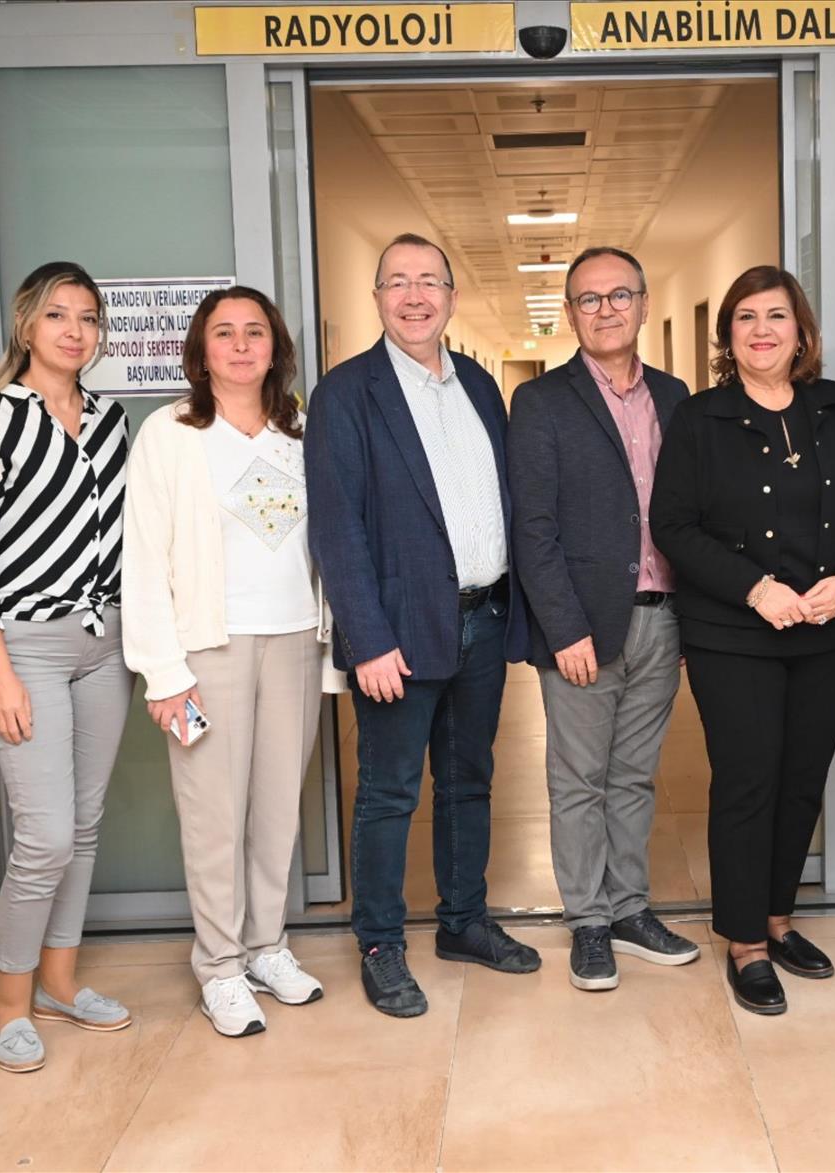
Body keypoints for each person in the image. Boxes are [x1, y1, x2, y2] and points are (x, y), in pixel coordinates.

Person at [650, 265, 835, 1015]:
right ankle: (746, 940)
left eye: (777, 316)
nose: (763, 330)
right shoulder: (699, 418)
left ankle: (779, 916)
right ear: (728, 336)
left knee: (801, 779)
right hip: (733, 631)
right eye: (747, 318)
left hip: (824, 627)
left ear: (801, 331)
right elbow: (673, 525)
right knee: (748, 779)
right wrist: (755, 588)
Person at [306, 233, 539, 1018]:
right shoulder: (346, 394)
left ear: (451, 297)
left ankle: (463, 920)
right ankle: (380, 943)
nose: (414, 296)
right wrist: (367, 640)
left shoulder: (479, 385)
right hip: (398, 635)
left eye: (429, 281)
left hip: (483, 619)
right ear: (377, 297)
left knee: (469, 781)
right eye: (398, 282)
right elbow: (337, 528)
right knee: (389, 792)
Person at [123, 286, 340, 1038]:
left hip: (294, 640)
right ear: (202, 349)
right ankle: (219, 966)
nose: (241, 345)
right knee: (215, 816)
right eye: (225, 332)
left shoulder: (300, 430)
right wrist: (162, 671)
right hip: (206, 649)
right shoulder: (171, 434)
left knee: (278, 809)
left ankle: (266, 946)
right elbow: (143, 558)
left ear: (276, 348)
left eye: (255, 331)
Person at [0, 261, 133, 1073]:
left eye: (88, 317)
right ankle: (10, 1004)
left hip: (106, 642)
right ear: (27, 324)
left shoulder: (111, 419)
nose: (74, 331)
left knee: (83, 827)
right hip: (25, 645)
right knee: (46, 835)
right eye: (58, 315)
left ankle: (59, 982)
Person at [508, 246, 698, 992]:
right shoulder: (542, 401)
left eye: (620, 295)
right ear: (571, 314)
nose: (606, 309)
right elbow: (534, 528)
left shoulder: (676, 396)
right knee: (580, 780)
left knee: (635, 778)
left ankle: (630, 909)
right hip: (583, 627)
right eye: (589, 299)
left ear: (644, 304)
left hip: (663, 618)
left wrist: (691, 616)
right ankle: (589, 920)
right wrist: (563, 629)